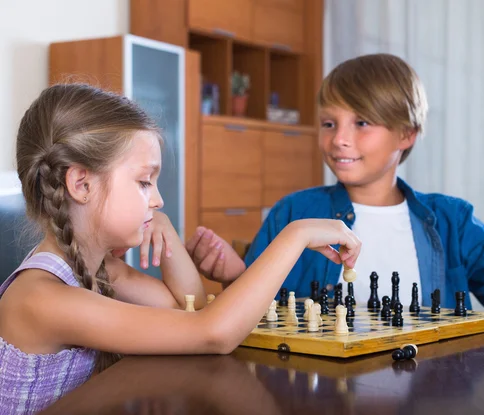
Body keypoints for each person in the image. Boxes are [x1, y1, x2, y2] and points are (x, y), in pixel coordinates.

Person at [187, 53, 484, 346]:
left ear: (406, 134)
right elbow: (259, 311)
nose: (339, 138)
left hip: (430, 386)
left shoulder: (451, 219)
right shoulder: (294, 213)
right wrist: (234, 274)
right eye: (329, 123)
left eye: (361, 123)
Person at [0, 83, 361, 413]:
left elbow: (187, 308)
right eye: (144, 182)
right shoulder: (42, 299)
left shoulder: (98, 270)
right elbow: (212, 332)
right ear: (81, 184)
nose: (157, 199)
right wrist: (294, 236)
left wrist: (167, 232)